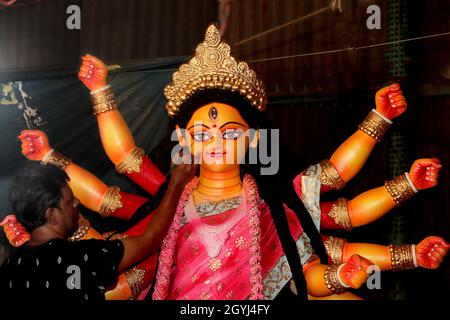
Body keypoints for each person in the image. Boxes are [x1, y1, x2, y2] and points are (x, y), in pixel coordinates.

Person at [12, 24, 449, 300]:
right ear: (184, 140)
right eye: (202, 135)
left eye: (230, 133)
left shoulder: (278, 203)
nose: (216, 143)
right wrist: (96, 95)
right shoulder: (167, 205)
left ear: (254, 140)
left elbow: (342, 213)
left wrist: (385, 131)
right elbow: (118, 175)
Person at [0, 159, 196, 301]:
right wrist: (176, 184)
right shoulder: (80, 257)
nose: (77, 202)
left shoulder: (9, 267)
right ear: (52, 215)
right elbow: (149, 240)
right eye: (69, 201)